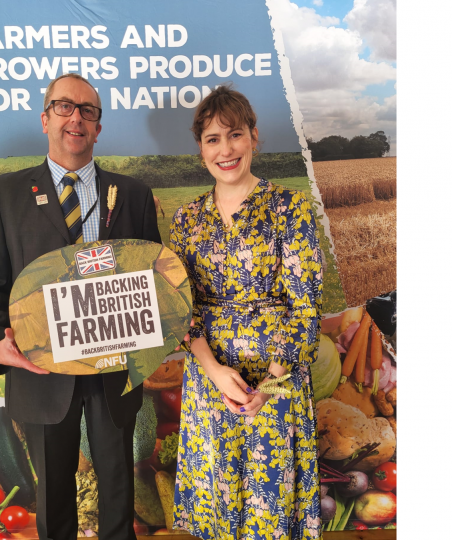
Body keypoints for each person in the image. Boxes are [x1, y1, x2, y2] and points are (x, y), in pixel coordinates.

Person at [0, 72, 161, 540]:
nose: (76, 117)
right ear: (45, 118)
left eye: (88, 110)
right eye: (64, 107)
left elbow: (154, 279)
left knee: (118, 486)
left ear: (98, 127)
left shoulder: (132, 195)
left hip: (113, 369)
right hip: (41, 371)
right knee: (52, 497)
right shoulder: (6, 193)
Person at [169, 85, 324, 539]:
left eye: (234, 135)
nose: (225, 149)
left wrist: (271, 382)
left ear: (254, 137)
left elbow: (306, 305)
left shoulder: (290, 207)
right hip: (211, 379)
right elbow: (181, 307)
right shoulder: (187, 219)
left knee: (269, 502)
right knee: (217, 502)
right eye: (213, 139)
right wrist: (214, 370)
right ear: (201, 150)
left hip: (274, 382)